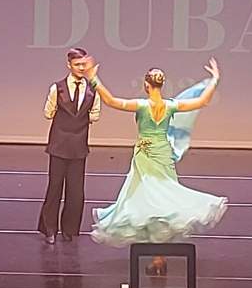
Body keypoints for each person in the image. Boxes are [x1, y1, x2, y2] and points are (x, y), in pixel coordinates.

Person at [85, 57, 228, 247]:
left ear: (146, 85)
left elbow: (111, 101)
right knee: (165, 192)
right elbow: (202, 101)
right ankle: (159, 251)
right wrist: (214, 80)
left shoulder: (142, 105)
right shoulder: (171, 106)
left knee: (144, 193)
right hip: (163, 153)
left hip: (145, 153)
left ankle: (150, 239)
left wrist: (93, 79)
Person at [38, 47, 101, 245]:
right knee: (55, 188)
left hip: (78, 145)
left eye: (83, 64)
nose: (81, 68)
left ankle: (69, 229)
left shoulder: (92, 90)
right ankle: (49, 229)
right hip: (59, 144)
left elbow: (95, 115)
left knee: (76, 192)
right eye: (77, 64)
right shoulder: (57, 88)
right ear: (69, 65)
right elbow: (48, 112)